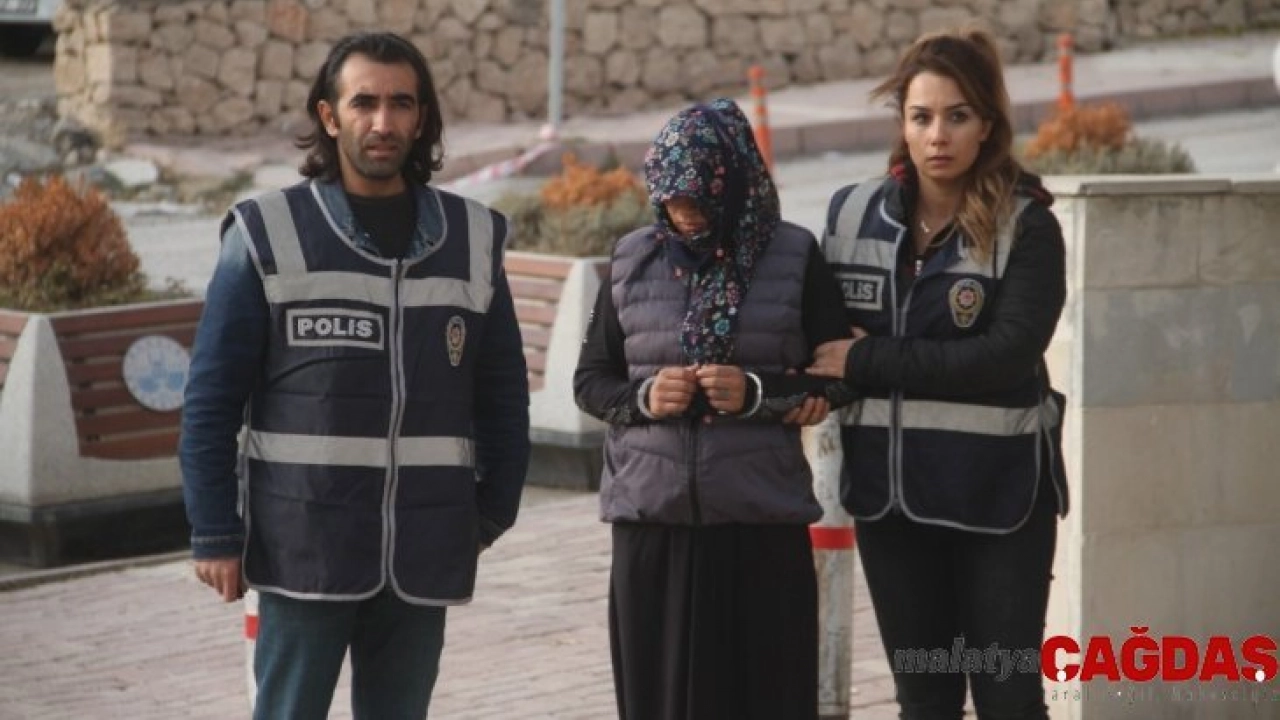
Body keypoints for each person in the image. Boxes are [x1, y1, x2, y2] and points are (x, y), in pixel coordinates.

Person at [179, 32, 530, 720]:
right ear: (329, 116)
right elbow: (211, 400)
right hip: (303, 546)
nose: (383, 121)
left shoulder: (473, 239)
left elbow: (502, 394)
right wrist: (214, 530)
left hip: (424, 547)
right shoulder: (266, 233)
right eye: (364, 102)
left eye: (402, 104)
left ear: (422, 118)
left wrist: (491, 511)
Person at [806, 28, 1069, 719]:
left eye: (957, 116)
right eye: (921, 117)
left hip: (999, 503)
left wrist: (869, 358)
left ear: (987, 125)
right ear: (902, 122)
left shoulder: (1028, 227)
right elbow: (825, 348)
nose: (938, 135)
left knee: (1008, 698)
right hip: (892, 506)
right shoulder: (851, 215)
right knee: (924, 699)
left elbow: (1002, 357)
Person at [573, 98, 856, 720]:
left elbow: (837, 378)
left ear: (733, 185)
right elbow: (591, 382)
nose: (685, 216)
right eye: (672, 201)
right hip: (653, 526)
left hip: (759, 522)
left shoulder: (793, 255)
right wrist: (644, 397)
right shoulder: (631, 259)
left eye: (699, 201)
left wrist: (756, 393)